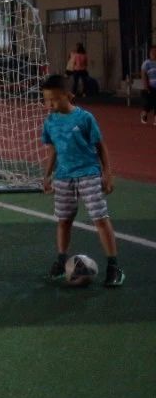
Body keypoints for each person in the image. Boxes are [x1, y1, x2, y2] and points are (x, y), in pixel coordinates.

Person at [39, 75, 123, 287]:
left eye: (55, 99)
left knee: (100, 218)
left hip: (88, 174)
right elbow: (53, 149)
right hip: (63, 177)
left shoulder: (85, 118)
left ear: (69, 96)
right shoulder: (49, 122)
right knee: (64, 220)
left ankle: (114, 267)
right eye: (47, 100)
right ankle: (60, 261)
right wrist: (47, 175)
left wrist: (107, 174)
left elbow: (100, 146)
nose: (50, 104)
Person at [140, 44, 156, 125]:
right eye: (152, 51)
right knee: (148, 104)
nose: (154, 53)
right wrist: (146, 87)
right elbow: (143, 75)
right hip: (150, 86)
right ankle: (144, 115)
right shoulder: (146, 63)